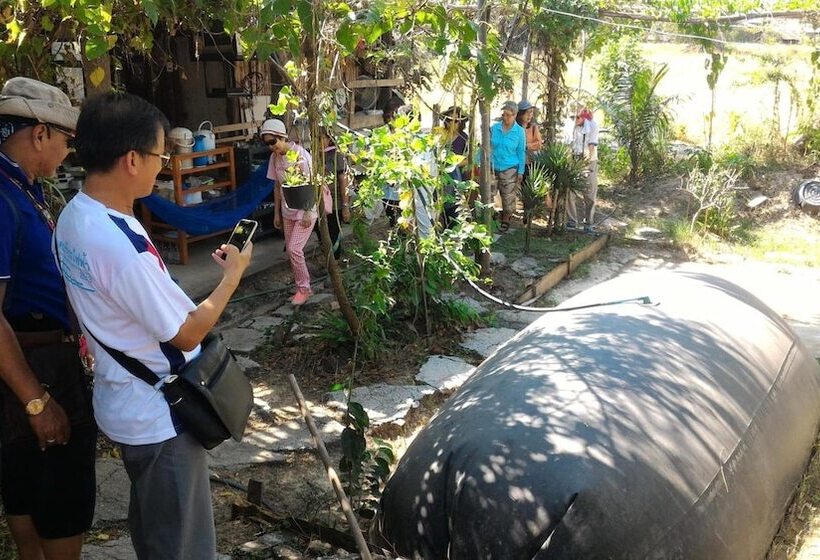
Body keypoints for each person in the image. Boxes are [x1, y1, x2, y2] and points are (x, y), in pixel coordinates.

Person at [54, 92, 252, 560]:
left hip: (123, 399)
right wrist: (232, 277)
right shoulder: (118, 244)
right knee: (182, 545)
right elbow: (186, 333)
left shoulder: (75, 216)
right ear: (131, 160)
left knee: (156, 529)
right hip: (160, 414)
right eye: (160, 155)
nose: (162, 165)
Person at [0, 77, 96, 560]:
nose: (66, 151)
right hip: (33, 369)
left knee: (25, 489)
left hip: (39, 360)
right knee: (56, 500)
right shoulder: (2, 197)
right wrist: (36, 401)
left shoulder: (24, 188)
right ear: (40, 134)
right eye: (64, 140)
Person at [263, 118, 327, 305]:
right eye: (267, 143)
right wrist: (276, 214)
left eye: (273, 142)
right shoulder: (274, 158)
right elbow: (277, 187)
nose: (271, 147)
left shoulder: (300, 155)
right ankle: (300, 287)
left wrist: (308, 210)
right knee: (291, 252)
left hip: (305, 208)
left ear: (282, 137)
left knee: (294, 249)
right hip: (287, 209)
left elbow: (313, 183)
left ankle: (305, 289)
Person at [490, 100, 526, 232]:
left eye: (508, 115)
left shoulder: (519, 132)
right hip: (493, 165)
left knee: (508, 196)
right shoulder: (494, 128)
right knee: (489, 192)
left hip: (510, 167)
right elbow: (487, 146)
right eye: (504, 114)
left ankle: (506, 218)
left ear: (515, 115)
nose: (505, 117)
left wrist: (521, 171)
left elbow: (521, 152)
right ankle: (490, 215)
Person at [318, 128, 350, 260]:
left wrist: (345, 206)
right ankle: (328, 260)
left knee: (333, 233)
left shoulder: (336, 155)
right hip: (319, 203)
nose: (317, 142)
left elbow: (343, 181)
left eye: (321, 138)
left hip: (334, 204)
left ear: (328, 139)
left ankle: (335, 263)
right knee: (321, 233)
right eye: (314, 138)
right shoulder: (312, 155)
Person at [567, 107, 599, 231]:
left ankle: (589, 223)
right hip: (574, 159)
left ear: (584, 116)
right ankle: (571, 221)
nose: (574, 119)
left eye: (577, 117)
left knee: (589, 191)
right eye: (572, 117)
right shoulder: (570, 126)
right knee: (570, 191)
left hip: (589, 160)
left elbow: (591, 147)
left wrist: (586, 167)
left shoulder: (592, 126)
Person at [440, 106, 469, 227]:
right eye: (449, 120)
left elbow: (468, 159)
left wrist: (452, 164)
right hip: (440, 175)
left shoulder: (464, 138)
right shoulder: (440, 135)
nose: (452, 123)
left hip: (456, 177)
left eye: (456, 121)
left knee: (454, 205)